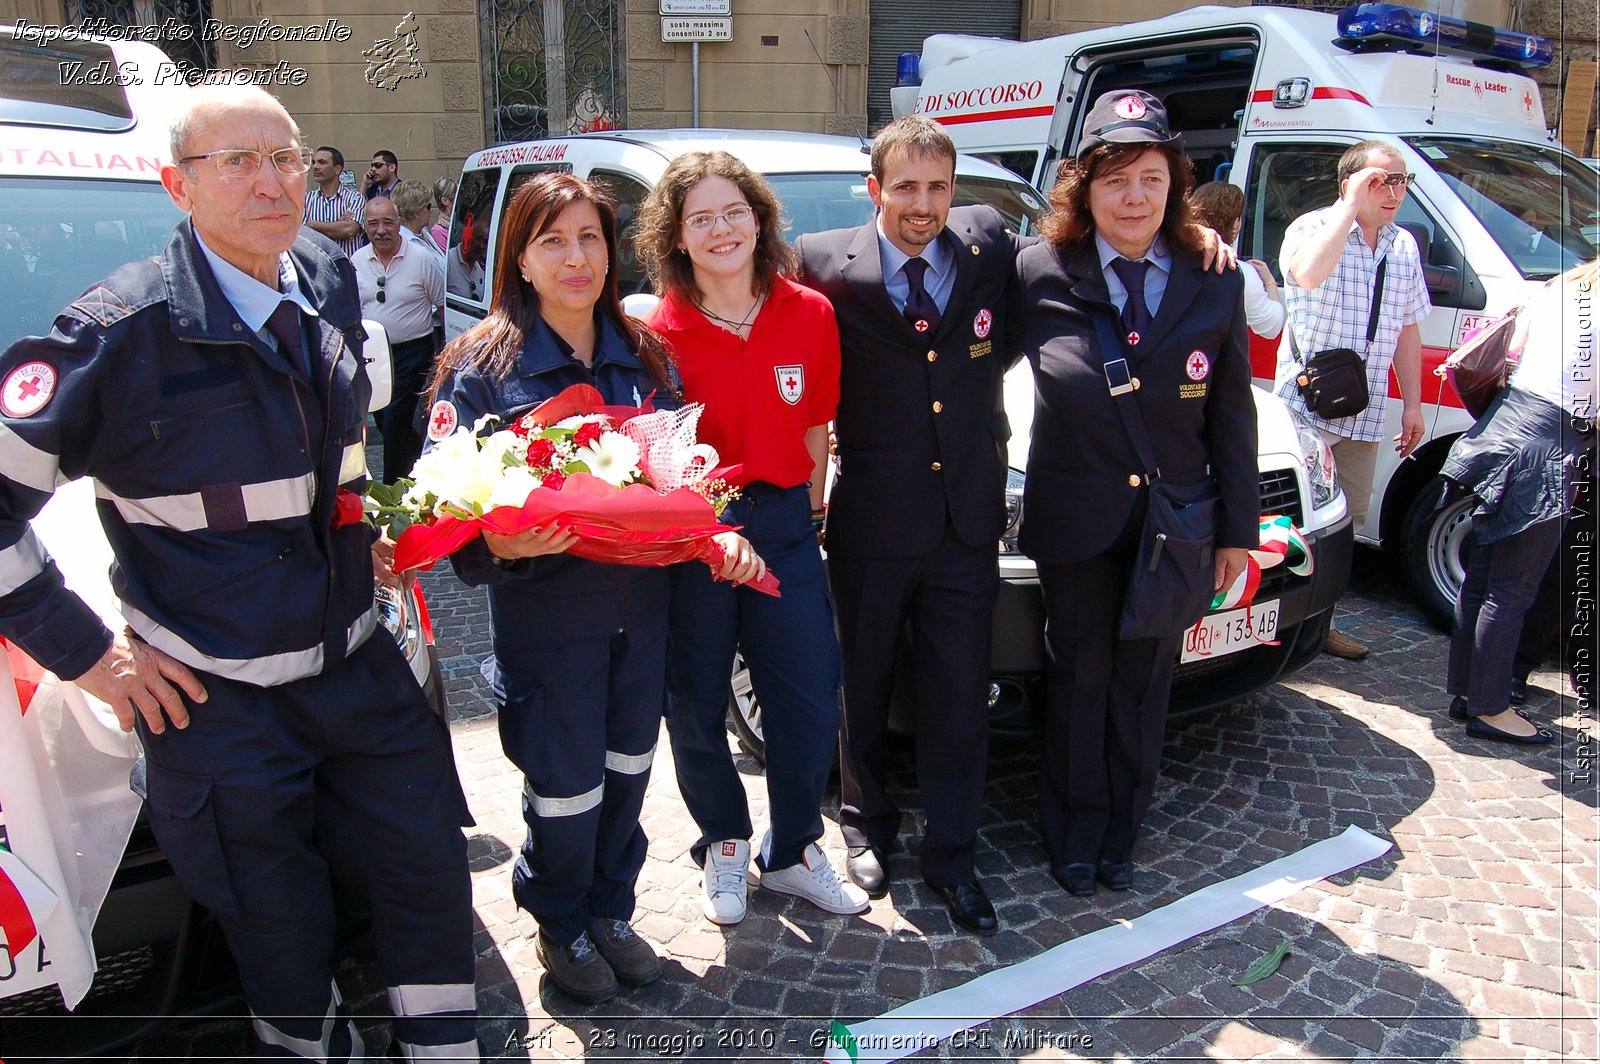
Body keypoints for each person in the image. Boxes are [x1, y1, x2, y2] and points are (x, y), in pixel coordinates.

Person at [0, 84, 477, 1061]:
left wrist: (368, 527)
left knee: (426, 872)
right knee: (275, 923)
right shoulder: (115, 338)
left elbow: (337, 457)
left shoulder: (326, 276)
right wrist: (93, 658)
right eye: (238, 161)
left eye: (287, 157)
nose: (271, 180)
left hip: (359, 666)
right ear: (178, 184)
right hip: (219, 704)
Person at [423, 172, 764, 1002]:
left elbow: (685, 477)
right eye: (553, 241)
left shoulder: (644, 358)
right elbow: (439, 503)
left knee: (627, 769)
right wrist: (496, 539)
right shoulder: (479, 371)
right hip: (548, 626)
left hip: (640, 620)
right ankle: (560, 921)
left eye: (589, 239)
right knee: (566, 786)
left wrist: (715, 533)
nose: (575, 258)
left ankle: (612, 909)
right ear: (521, 259)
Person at [1008, 89, 1259, 898]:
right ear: (1083, 189)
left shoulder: (1213, 278)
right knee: (1079, 676)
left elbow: (1232, 413)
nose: (1134, 197)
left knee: (1145, 680)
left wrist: (1238, 532)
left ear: (1174, 185)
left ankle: (1122, 831)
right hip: (1076, 517)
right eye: (1114, 179)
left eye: (1151, 177)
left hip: (1174, 522)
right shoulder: (1038, 269)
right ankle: (1073, 835)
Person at [790, 116, 1023, 935]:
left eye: (938, 188)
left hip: (966, 519)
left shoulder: (988, 245)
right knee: (868, 680)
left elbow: (1060, 273)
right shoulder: (821, 264)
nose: (923, 205)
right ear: (875, 188)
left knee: (960, 694)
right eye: (906, 187)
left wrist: (1194, 236)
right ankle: (865, 826)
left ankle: (955, 856)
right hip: (873, 516)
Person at [635, 151, 869, 926]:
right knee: (695, 701)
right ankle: (725, 843)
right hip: (695, 530)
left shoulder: (810, 313)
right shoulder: (654, 332)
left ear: (760, 218)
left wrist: (809, 521)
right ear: (675, 235)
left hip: (784, 526)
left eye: (733, 211)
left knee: (808, 695)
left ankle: (796, 847)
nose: (720, 229)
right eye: (699, 217)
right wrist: (694, 529)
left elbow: (816, 432)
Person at [1274, 139, 1431, 661]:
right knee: (1293, 521)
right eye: (1379, 181)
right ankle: (1272, 621)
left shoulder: (1403, 245)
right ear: (1348, 185)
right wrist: (1347, 211)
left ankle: (1322, 625)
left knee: (1346, 525)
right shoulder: (1311, 229)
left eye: (1401, 181)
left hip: (1364, 411)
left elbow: (1408, 328)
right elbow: (1307, 275)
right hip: (1307, 404)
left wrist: (1412, 404)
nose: (1393, 192)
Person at [1441, 259, 1597, 746]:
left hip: (1509, 427)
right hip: (1547, 442)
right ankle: (1490, 709)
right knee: (1510, 589)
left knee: (1485, 578)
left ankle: (1470, 693)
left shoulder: (1562, 287)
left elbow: (1515, 348)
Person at [352, 196, 445, 484]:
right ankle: (412, 478)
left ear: (399, 224)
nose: (381, 230)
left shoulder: (422, 260)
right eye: (373, 224)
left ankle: (396, 487)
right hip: (374, 356)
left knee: (397, 424)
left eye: (388, 223)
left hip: (413, 356)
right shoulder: (356, 262)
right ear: (365, 227)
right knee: (383, 421)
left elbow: (442, 304)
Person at [1190, 181, 1284, 339]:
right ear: (1235, 223)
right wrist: (1270, 282)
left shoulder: (1168, 257)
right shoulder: (1240, 272)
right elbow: (1271, 328)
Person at [303, 145, 365, 257]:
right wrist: (337, 224)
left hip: (348, 269)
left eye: (322, 162)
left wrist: (313, 224)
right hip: (319, 269)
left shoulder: (355, 198)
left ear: (337, 169)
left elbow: (349, 229)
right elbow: (302, 234)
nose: (316, 167)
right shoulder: (305, 200)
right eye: (314, 162)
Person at [431, 176, 457, 253]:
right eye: (456, 196)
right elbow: (446, 261)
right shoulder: (438, 231)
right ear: (445, 201)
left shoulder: (459, 222)